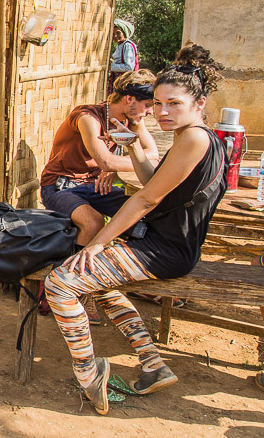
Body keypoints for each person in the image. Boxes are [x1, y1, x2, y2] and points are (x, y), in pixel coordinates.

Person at [44, 44, 226, 415]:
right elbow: (151, 181)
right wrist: (133, 147)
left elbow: (145, 201)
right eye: (157, 104)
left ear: (200, 103)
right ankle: (153, 365)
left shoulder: (194, 138)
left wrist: (99, 243)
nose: (160, 112)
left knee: (60, 284)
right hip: (170, 245)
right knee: (99, 285)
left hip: (164, 249)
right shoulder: (202, 137)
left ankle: (89, 374)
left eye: (172, 103)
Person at [40, 70, 159, 248]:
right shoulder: (88, 117)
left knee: (146, 209)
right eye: (148, 104)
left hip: (94, 187)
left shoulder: (132, 119)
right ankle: (69, 270)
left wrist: (116, 168)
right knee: (94, 222)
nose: (150, 112)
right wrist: (113, 165)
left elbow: (153, 155)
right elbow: (106, 161)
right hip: (61, 186)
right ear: (130, 99)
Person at [108, 19, 139, 95]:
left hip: (126, 81)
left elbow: (129, 67)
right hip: (120, 80)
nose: (115, 36)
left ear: (124, 33)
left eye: (118, 33)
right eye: (113, 33)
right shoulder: (120, 46)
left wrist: (110, 66)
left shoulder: (127, 45)